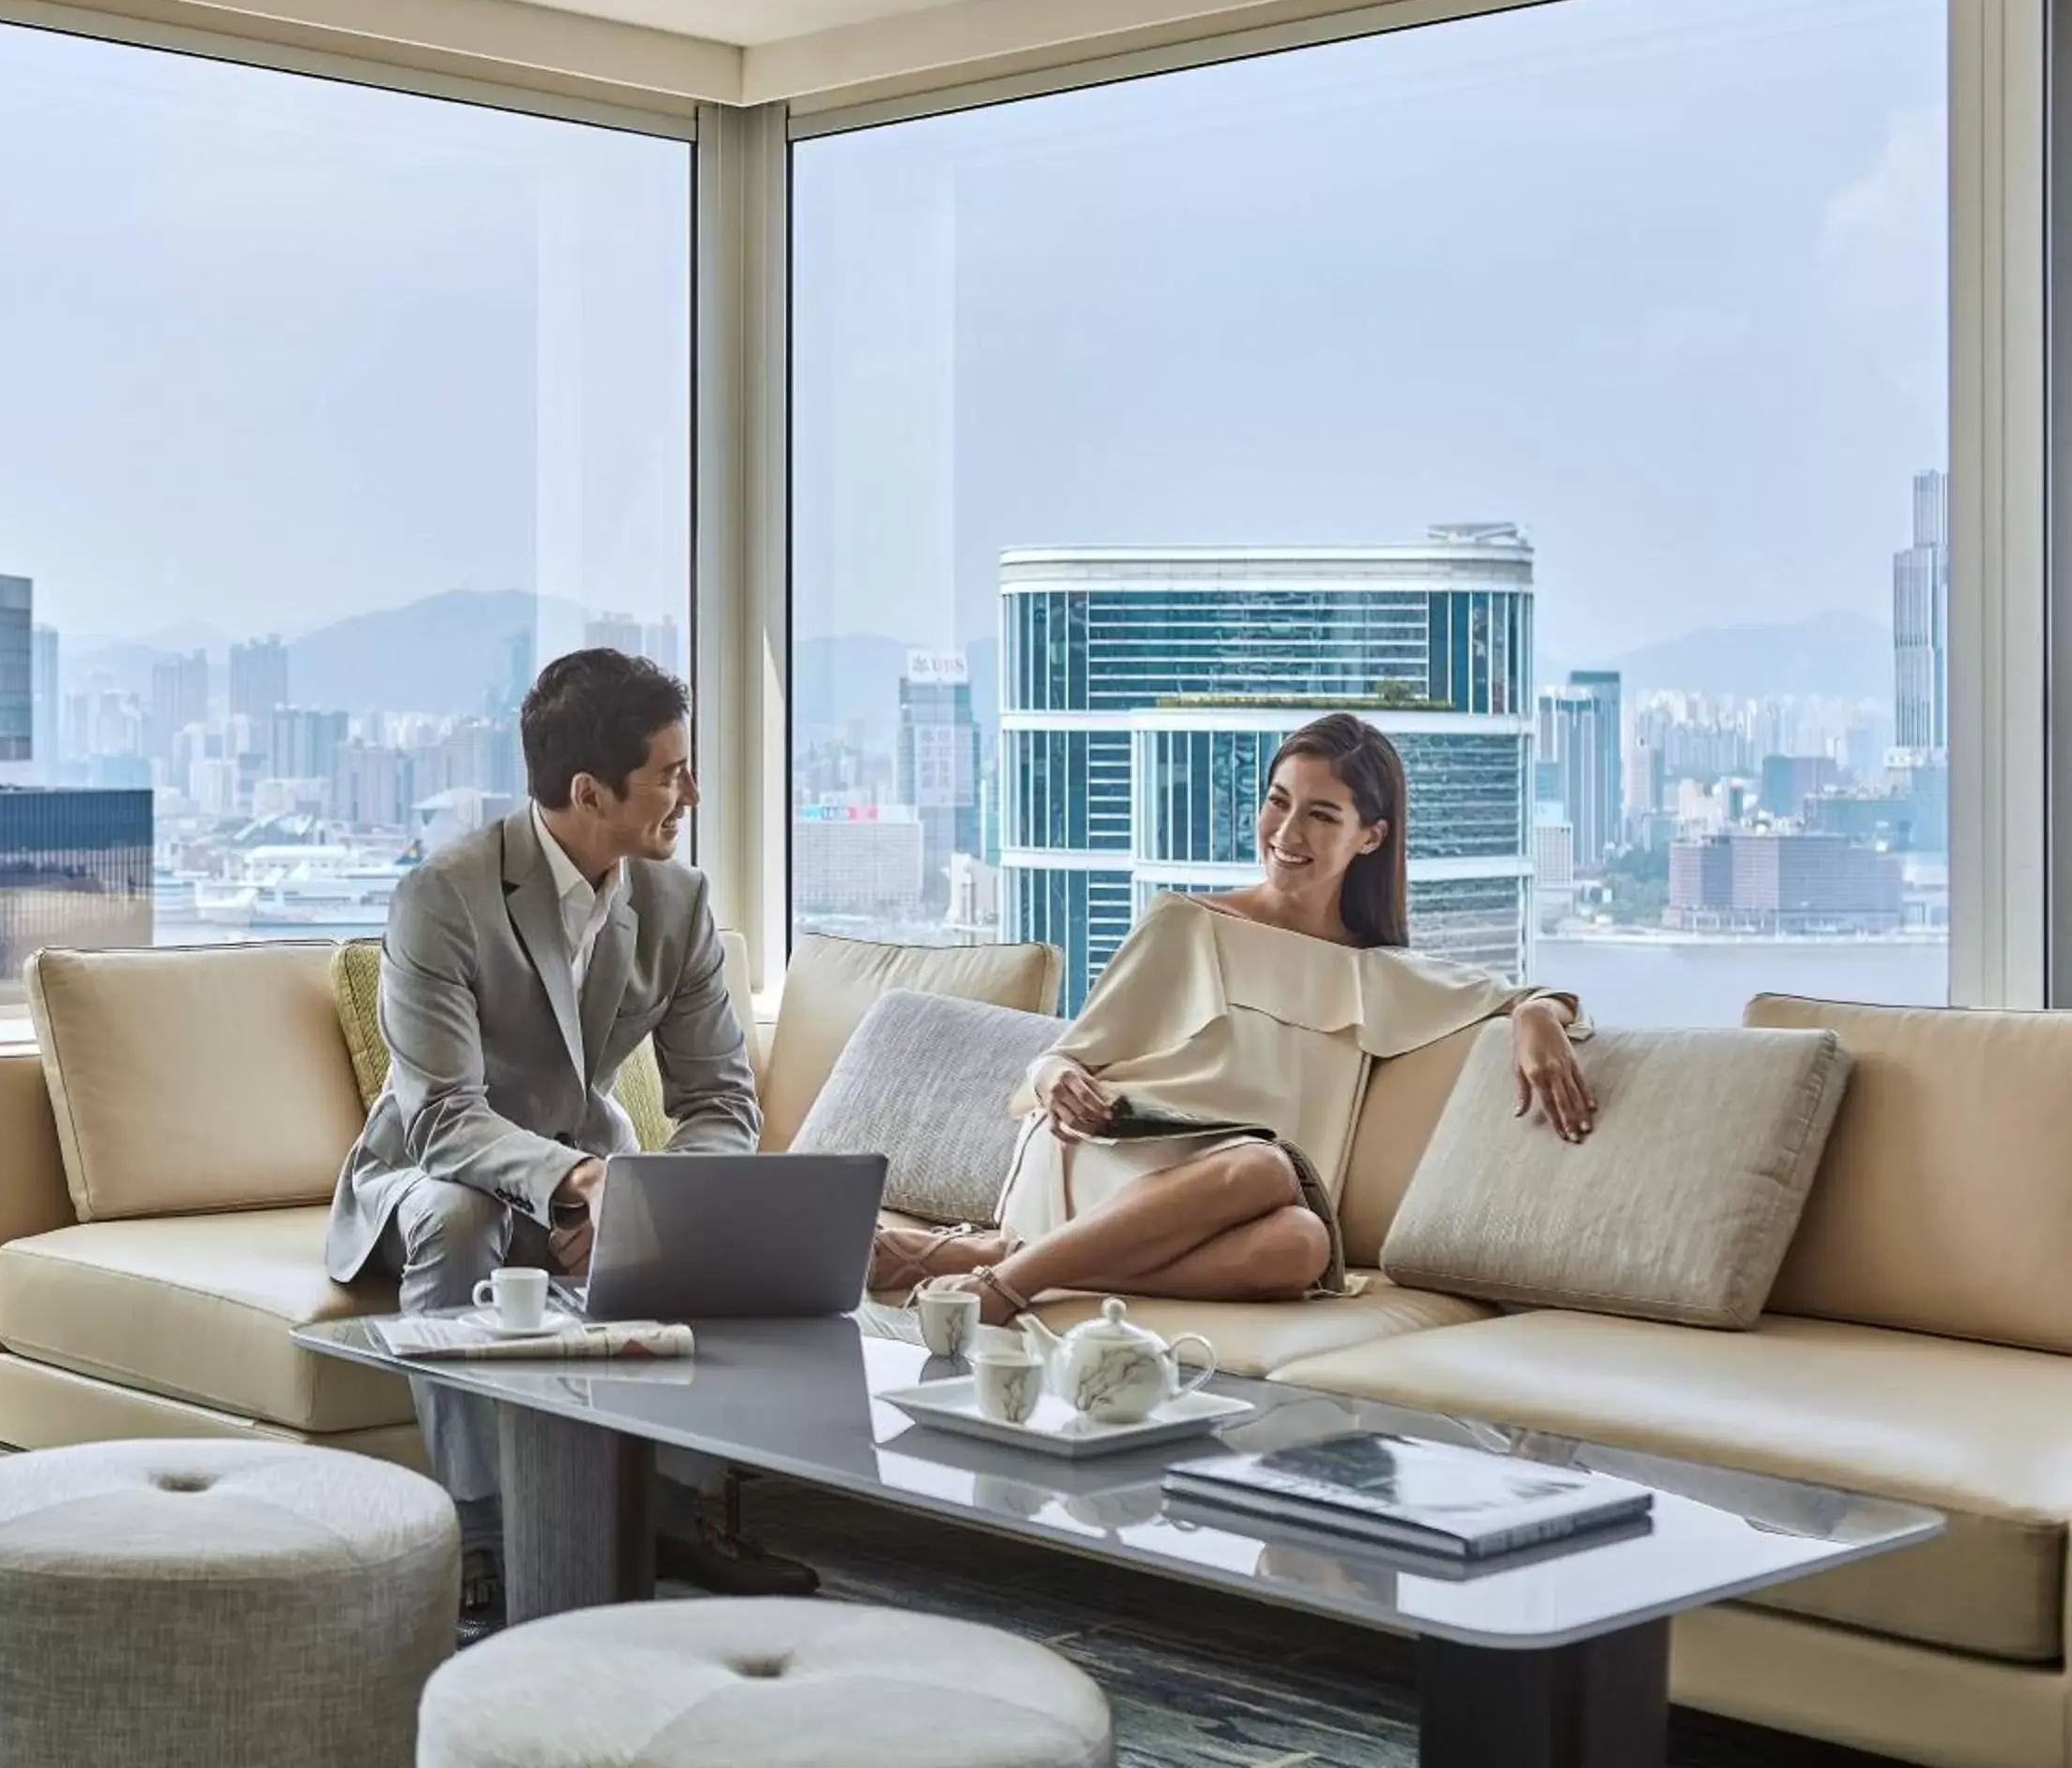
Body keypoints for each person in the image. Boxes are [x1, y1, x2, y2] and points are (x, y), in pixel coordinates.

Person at [323, 648, 812, 1640]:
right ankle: (483, 1527)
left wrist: (646, 1200)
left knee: (691, 1200)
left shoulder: (676, 903)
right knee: (461, 1215)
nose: (692, 791)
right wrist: (578, 1183)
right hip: (430, 1170)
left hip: (589, 1163)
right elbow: (443, 1118)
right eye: (670, 773)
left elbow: (719, 1097)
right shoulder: (443, 898)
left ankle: (673, 1511)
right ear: (589, 791)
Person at [877, 712, 1594, 1324]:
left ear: (1369, 837)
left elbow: (1521, 995)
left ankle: (1015, 1254)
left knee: (1306, 1247)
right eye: (1278, 802)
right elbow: (1063, 1058)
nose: (1288, 831)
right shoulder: (1187, 925)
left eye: (1321, 814)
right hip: (1116, 1159)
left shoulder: (1383, 976)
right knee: (1265, 1164)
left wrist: (1535, 1015)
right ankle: (1006, 1287)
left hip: (1224, 1210)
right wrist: (1059, 1073)